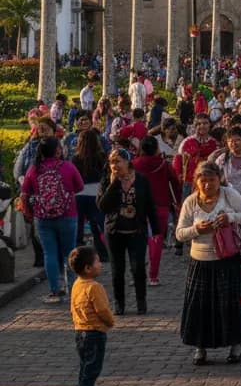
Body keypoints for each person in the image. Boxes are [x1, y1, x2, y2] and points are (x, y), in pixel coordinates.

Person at [176, 161, 241, 366]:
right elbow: (179, 233)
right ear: (196, 181)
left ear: (219, 179)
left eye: (212, 180)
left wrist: (230, 217)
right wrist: (197, 230)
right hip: (200, 262)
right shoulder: (191, 202)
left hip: (228, 260)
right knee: (200, 307)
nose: (208, 184)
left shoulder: (229, 195)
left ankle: (235, 345)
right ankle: (200, 347)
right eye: (203, 180)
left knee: (230, 305)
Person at [21, 136, 84, 302]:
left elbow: (25, 192)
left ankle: (54, 291)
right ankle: (73, 289)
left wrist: (28, 212)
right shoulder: (68, 167)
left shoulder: (34, 169)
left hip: (42, 217)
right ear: (57, 150)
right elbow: (79, 186)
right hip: (68, 215)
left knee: (49, 253)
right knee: (69, 252)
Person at [98, 148, 160, 316]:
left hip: (136, 230)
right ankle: (119, 304)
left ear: (127, 162)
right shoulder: (107, 180)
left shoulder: (141, 180)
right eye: (112, 162)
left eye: (118, 161)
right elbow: (102, 206)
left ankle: (141, 302)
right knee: (117, 270)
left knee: (138, 267)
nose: (114, 165)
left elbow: (149, 205)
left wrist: (155, 229)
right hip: (114, 230)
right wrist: (113, 184)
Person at [68, 245, 115, 386]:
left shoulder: (76, 284)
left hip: (80, 331)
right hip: (94, 332)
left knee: (85, 366)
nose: (100, 264)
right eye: (97, 261)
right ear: (88, 268)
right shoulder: (94, 287)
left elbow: (73, 307)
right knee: (92, 368)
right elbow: (102, 310)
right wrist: (110, 321)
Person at [132, 136, 181, 287]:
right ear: (156, 148)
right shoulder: (164, 165)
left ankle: (137, 275)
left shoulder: (134, 164)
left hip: (137, 207)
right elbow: (175, 182)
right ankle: (153, 276)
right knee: (156, 239)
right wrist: (178, 201)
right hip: (161, 205)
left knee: (137, 241)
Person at [72, 128, 109, 262]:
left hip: (79, 194)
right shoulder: (101, 156)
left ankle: (79, 254)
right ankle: (104, 252)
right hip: (96, 193)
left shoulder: (76, 158)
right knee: (98, 225)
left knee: (79, 226)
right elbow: (106, 176)